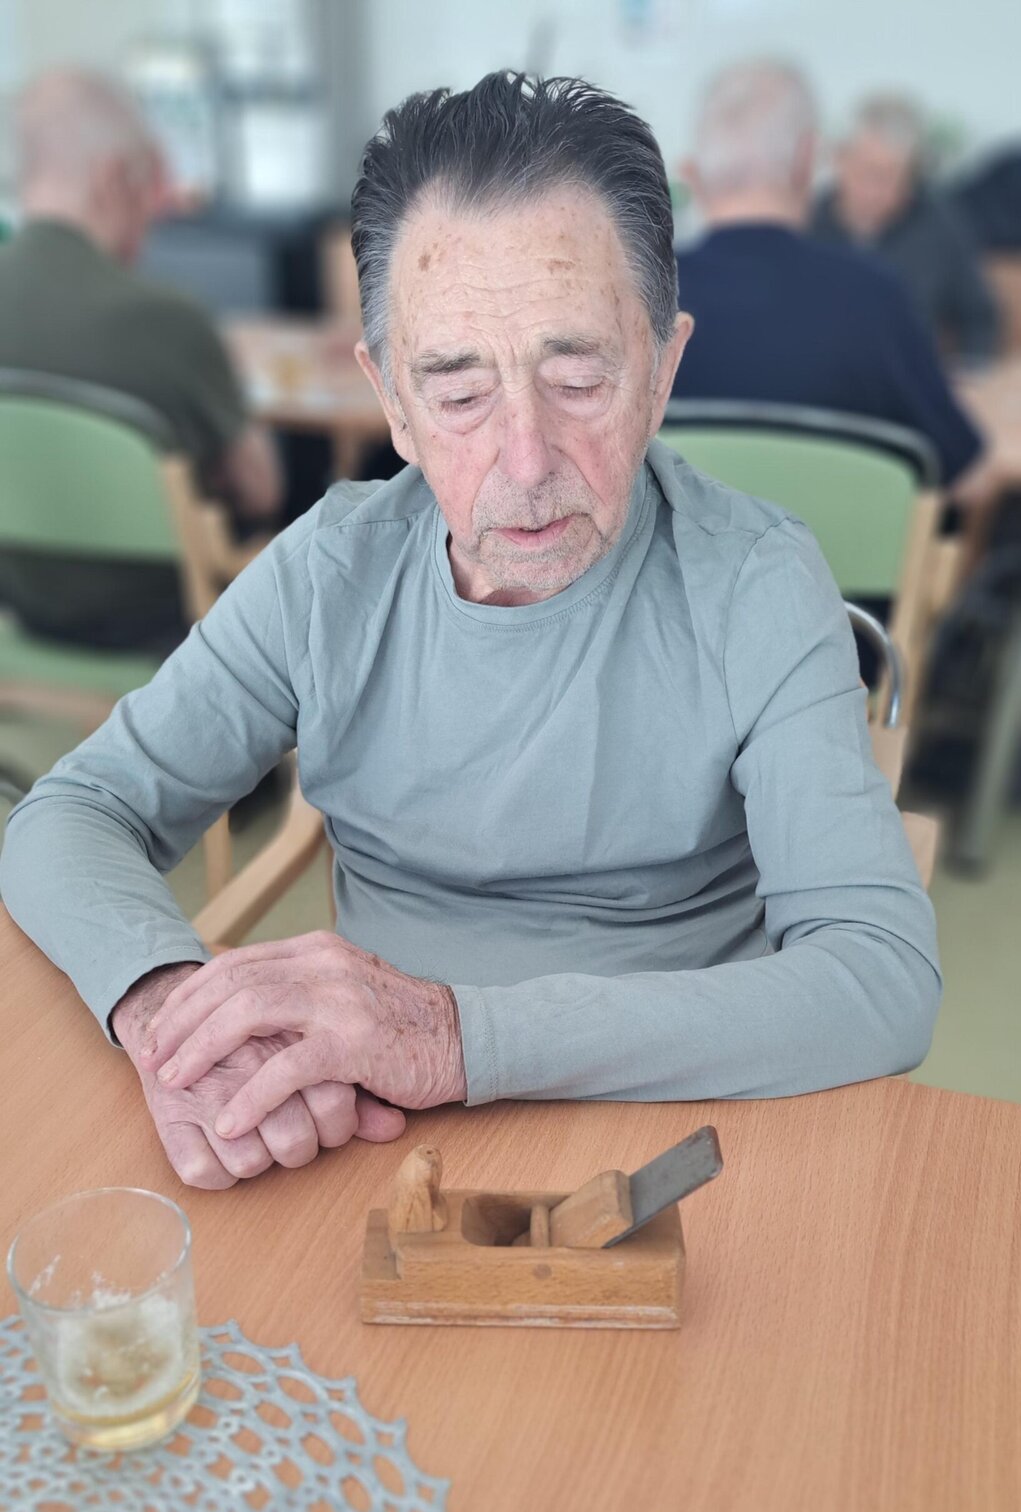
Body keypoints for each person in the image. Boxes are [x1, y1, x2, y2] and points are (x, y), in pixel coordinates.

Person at [0, 73, 941, 1191]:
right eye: (457, 394)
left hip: (677, 1131)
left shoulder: (756, 583)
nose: (525, 462)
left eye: (578, 378)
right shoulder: (328, 573)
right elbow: (72, 812)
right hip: (380, 1143)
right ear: (391, 401)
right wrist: (169, 1013)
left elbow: (879, 978)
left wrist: (453, 1037)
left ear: (662, 371)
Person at [0, 69, 282, 649]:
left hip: (21, 627)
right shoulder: (169, 319)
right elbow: (262, 490)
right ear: (113, 179)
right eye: (147, 182)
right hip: (174, 644)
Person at [672, 61, 984, 489]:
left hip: (683, 536)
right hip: (840, 537)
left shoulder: (639, 296)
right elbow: (957, 463)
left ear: (693, 173)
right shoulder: (873, 295)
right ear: (807, 162)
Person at [812, 95, 1000, 365]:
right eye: (868, 172)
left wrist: (968, 372)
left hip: (911, 375)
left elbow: (978, 319)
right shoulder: (806, 221)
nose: (877, 190)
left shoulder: (942, 225)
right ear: (839, 160)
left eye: (893, 177)